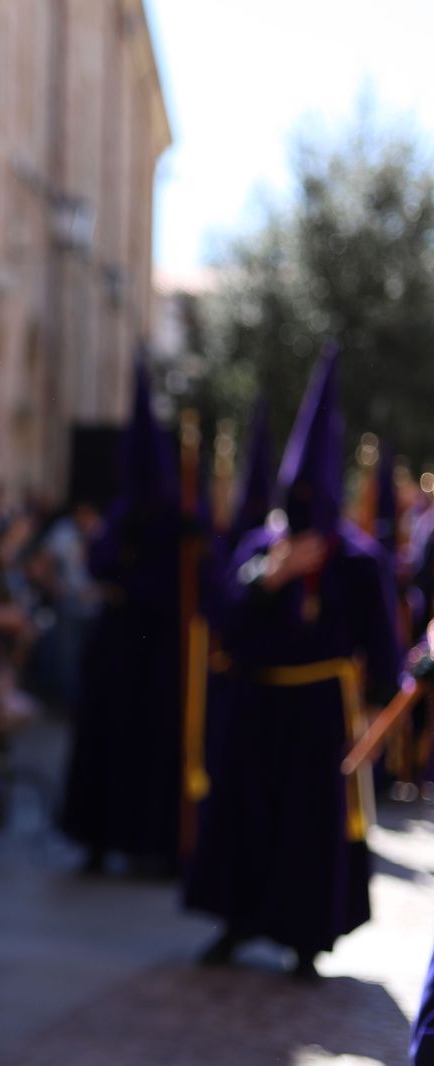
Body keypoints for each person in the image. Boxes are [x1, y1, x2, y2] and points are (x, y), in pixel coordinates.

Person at [184, 346, 399, 979]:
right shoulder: (258, 547)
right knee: (243, 818)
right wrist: (266, 581)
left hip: (319, 713)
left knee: (309, 828)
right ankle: (234, 922)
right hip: (256, 703)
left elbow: (380, 639)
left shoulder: (358, 560)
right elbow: (221, 618)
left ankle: (305, 939)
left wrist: (383, 704)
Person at [60, 358, 184, 873]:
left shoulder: (175, 522)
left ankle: (143, 845)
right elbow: (98, 564)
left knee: (147, 745)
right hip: (117, 648)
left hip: (155, 651)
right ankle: (97, 839)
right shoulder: (120, 518)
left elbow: (173, 585)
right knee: (106, 742)